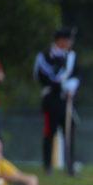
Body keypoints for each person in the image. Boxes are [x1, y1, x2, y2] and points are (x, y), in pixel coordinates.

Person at [34, 27, 79, 173]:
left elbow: (77, 74)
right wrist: (59, 85)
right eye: (67, 40)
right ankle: (48, 165)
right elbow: (40, 76)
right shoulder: (46, 55)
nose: (69, 43)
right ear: (60, 40)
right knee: (50, 132)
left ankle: (70, 165)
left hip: (66, 100)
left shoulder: (71, 56)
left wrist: (73, 85)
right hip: (51, 99)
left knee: (70, 129)